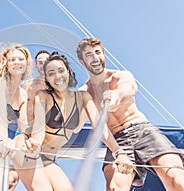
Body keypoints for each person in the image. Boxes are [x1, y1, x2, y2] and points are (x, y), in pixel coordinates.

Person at [12, 52, 133, 191]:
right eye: (51, 73)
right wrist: (34, 142)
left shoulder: (83, 97)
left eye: (60, 70)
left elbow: (99, 126)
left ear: (68, 72)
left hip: (48, 160)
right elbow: (38, 128)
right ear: (47, 79)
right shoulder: (43, 96)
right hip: (27, 147)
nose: (57, 76)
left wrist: (119, 152)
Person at [76, 37, 184, 190]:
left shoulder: (121, 76)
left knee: (177, 180)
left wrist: (115, 97)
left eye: (98, 52)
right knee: (115, 188)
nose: (95, 58)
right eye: (88, 55)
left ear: (103, 54)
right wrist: (118, 152)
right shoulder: (84, 93)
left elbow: (128, 89)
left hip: (143, 130)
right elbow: (95, 125)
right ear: (82, 61)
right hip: (117, 140)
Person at [0, 44, 32, 190]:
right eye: (12, 59)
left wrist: (27, 141)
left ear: (26, 64)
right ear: (6, 63)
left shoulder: (23, 94)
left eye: (21, 59)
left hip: (10, 137)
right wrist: (3, 140)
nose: (17, 62)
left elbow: (23, 128)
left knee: (11, 180)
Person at [21, 50, 50, 127]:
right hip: (25, 129)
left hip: (48, 132)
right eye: (40, 63)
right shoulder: (26, 86)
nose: (43, 65)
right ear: (36, 66)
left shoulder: (57, 87)